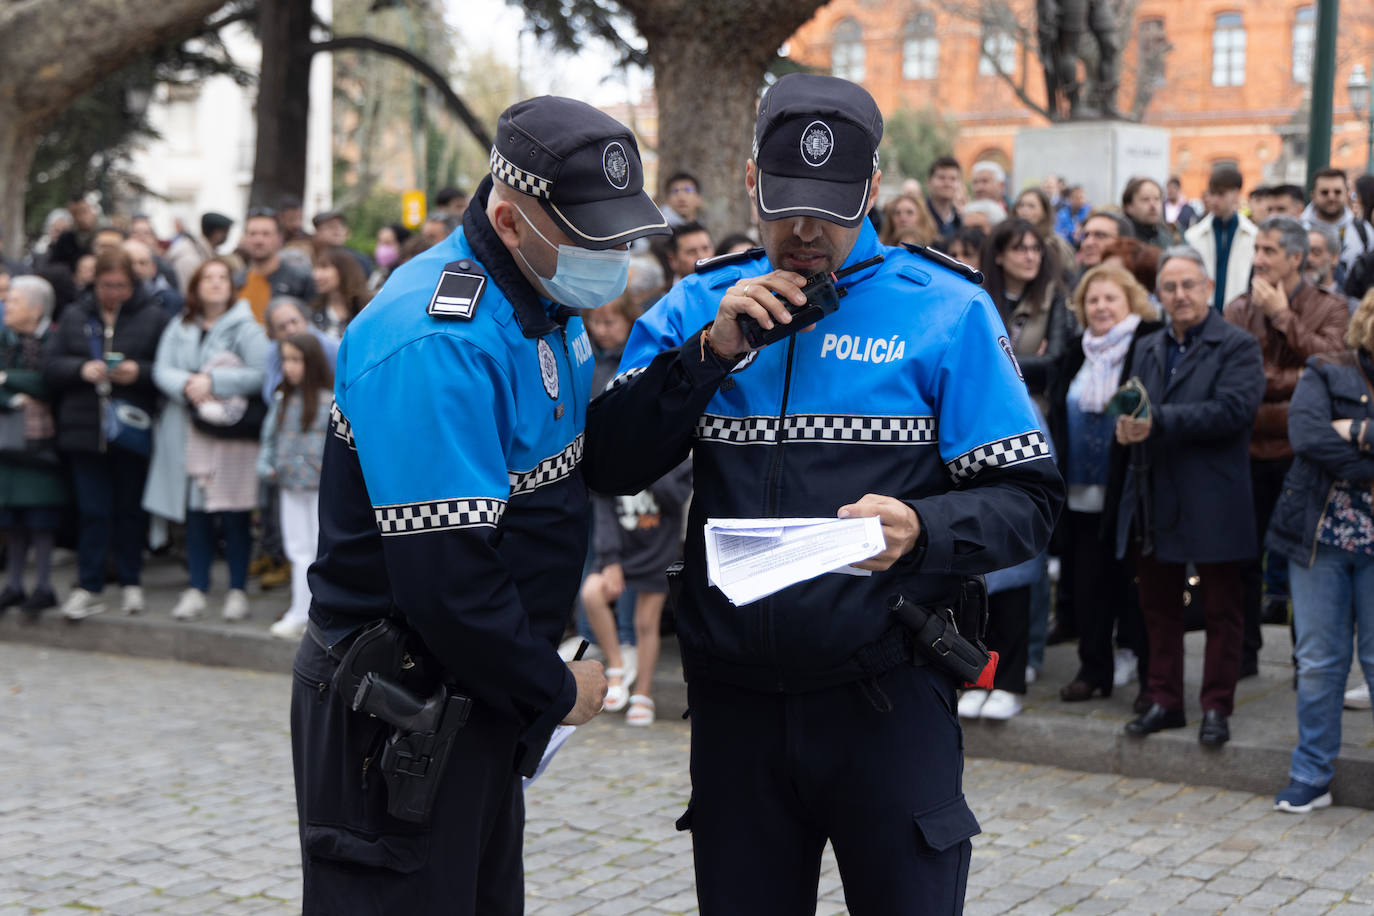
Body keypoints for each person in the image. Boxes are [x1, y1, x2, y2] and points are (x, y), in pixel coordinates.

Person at [584, 73, 1062, 915]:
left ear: (874, 189)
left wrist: (924, 526)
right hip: (736, 711)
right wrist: (710, 353)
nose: (804, 230)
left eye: (832, 207)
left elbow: (1029, 500)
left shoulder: (947, 307)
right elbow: (610, 463)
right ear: (749, 181)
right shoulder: (700, 301)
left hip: (888, 700)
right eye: (784, 202)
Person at [292, 94, 669, 913]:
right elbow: (447, 578)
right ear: (510, 220)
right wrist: (554, 688)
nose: (612, 253)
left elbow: (584, 461)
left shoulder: (543, 299)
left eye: (620, 233)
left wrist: (701, 362)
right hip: (398, 705)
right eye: (590, 234)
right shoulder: (442, 339)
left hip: (474, 693)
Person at [1115, 246, 1265, 747]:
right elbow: (1134, 397)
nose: (1179, 296)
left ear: (1208, 288)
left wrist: (1156, 423)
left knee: (1223, 610)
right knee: (1158, 606)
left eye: (1188, 285)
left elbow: (1232, 411)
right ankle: (1164, 700)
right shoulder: (1149, 345)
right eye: (1170, 287)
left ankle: (1216, 708)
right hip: (1156, 495)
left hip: (1215, 496)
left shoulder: (1238, 345)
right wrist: (1126, 423)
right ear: (1158, 295)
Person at [1223, 216, 1350, 674]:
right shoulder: (1237, 308)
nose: (1258, 259)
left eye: (1268, 251)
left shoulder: (1331, 307)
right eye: (1256, 249)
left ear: (1296, 258)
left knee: (1304, 564)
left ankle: (1307, 664)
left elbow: (1335, 371)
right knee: (1242, 561)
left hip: (1302, 456)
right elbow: (1237, 381)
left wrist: (1282, 317)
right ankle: (1243, 655)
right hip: (1247, 452)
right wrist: (1295, 382)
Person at [1265, 290, 1374, 812]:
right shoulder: (1327, 368)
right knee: (1318, 662)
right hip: (1320, 539)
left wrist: (1356, 430)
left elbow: (1329, 439)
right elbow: (1306, 435)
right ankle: (1311, 773)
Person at [1049, 265, 1160, 708]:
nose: (1100, 307)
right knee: (1090, 586)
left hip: (1129, 495)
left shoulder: (1146, 347)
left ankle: (1151, 675)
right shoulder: (1076, 352)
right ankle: (1094, 669)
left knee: (1136, 587)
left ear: (1130, 302)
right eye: (1092, 300)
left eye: (1110, 298)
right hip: (1079, 491)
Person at [44, 249, 169, 619]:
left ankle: (131, 581)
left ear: (133, 285)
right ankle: (89, 584)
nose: (113, 292)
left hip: (132, 427)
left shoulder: (153, 316)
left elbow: (165, 369)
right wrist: (81, 370)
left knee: (130, 510)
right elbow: (51, 367)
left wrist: (138, 373)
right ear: (94, 283)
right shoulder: (74, 315)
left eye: (121, 286)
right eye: (106, 285)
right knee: (92, 511)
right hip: (84, 427)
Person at [145, 257, 269, 622]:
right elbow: (161, 369)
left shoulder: (248, 327)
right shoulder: (180, 325)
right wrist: (188, 388)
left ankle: (236, 590)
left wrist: (213, 384)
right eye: (207, 278)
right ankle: (196, 588)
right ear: (196, 286)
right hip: (186, 429)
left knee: (234, 513)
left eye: (221, 278)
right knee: (195, 513)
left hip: (229, 437)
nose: (215, 284)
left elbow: (260, 374)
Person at [581, 455, 691, 725]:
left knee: (645, 623)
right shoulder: (616, 458)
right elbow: (604, 508)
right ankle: (617, 665)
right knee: (591, 593)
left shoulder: (679, 461)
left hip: (656, 553)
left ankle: (643, 694)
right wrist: (610, 560)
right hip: (621, 552)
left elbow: (675, 497)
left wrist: (649, 466)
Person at [258, 333, 333, 640]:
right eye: (285, 360)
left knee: (318, 550)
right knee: (297, 549)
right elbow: (269, 437)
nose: (289, 367)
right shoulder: (282, 398)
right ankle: (298, 611)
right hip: (289, 483)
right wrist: (267, 464)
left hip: (318, 487)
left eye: (296, 359)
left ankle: (315, 613)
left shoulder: (330, 400)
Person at [0, 276, 66, 614]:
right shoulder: (5, 338)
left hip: (45, 443)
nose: (6, 306)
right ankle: (13, 585)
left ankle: (43, 586)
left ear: (35, 309)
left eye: (13, 301)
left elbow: (49, 382)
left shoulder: (55, 339)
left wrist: (7, 378)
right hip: (9, 441)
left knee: (41, 517)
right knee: (12, 518)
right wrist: (12, 399)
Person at [981, 218, 1071, 411]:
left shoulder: (1053, 296)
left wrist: (994, 362)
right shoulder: (979, 299)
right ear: (998, 255)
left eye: (1036, 249)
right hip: (987, 404)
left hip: (1034, 407)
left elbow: (1053, 361)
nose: (1031, 257)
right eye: (1020, 249)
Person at [1186, 165, 1259, 313]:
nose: (1214, 200)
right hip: (1202, 314)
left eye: (1221, 194)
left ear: (1236, 194)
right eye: (1211, 194)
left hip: (1240, 316)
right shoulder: (1193, 236)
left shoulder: (1254, 236)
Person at [234, 209, 314, 324]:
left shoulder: (301, 280)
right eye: (252, 234)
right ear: (244, 238)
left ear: (279, 239)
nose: (258, 240)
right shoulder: (235, 282)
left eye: (266, 234)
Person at [1302, 167, 1374, 276]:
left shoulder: (1364, 230)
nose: (1331, 197)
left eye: (1337, 192)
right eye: (1324, 192)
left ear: (1346, 194)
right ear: (1313, 196)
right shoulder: (1298, 229)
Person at [1014, 187, 1075, 286]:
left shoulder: (1054, 244)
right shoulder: (1009, 241)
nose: (1024, 211)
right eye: (1021, 205)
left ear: (1044, 212)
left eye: (1031, 206)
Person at [308, 245, 370, 338]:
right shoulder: (313, 312)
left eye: (324, 267)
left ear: (344, 270)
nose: (316, 275)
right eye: (315, 268)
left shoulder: (366, 310)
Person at [167, 212, 233, 294]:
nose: (227, 236)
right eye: (226, 232)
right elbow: (187, 294)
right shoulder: (189, 257)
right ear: (217, 233)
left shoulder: (202, 251)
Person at [1121, 177, 1174, 249]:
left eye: (1157, 199)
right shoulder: (1121, 240)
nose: (1153, 205)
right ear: (1129, 207)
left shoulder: (1168, 239)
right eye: (1145, 199)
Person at [926, 155, 963, 238]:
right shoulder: (918, 216)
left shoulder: (961, 221)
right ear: (928, 182)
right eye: (941, 178)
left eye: (953, 179)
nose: (947, 183)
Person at [369, 223, 410, 291]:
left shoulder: (406, 277)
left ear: (402, 245)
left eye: (388, 243)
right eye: (380, 242)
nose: (382, 248)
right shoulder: (378, 274)